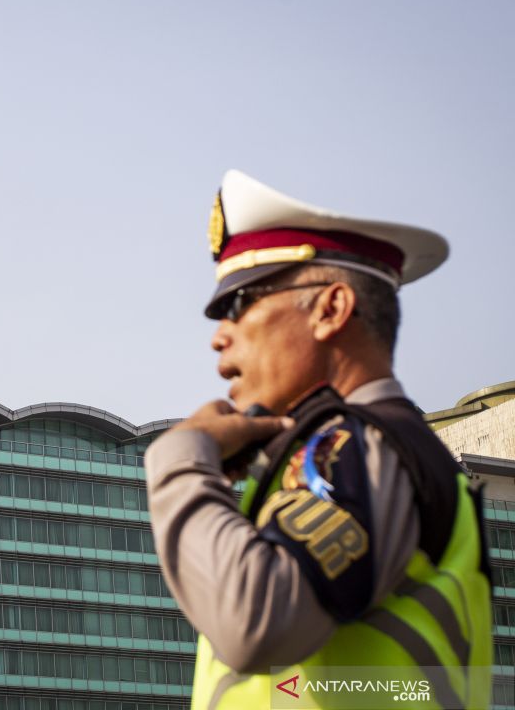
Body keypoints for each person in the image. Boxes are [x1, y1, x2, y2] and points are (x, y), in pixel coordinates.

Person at [146, 170, 491, 708]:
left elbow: (254, 622)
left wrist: (181, 459)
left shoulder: (354, 446)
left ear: (331, 309)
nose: (218, 335)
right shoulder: (357, 447)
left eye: (240, 304)